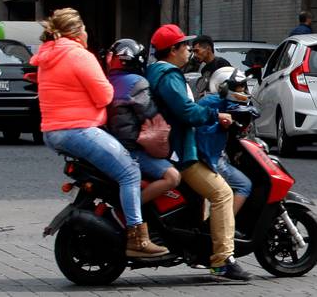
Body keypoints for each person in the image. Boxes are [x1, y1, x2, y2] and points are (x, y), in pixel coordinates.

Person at [30, 8, 168, 258]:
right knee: (129, 172)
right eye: (83, 29)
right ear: (76, 32)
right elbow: (105, 95)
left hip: (53, 131)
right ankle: (137, 237)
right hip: (78, 129)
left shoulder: (47, 56)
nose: (86, 34)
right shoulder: (79, 56)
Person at [145, 24, 252, 281]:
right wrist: (216, 115)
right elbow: (186, 112)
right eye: (184, 46)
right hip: (179, 151)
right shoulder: (169, 75)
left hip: (170, 146)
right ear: (172, 50)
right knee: (223, 193)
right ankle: (222, 260)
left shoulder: (155, 71)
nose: (189, 51)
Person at [105, 38, 180, 204]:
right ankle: (129, 212)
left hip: (110, 144)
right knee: (172, 177)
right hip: (131, 149)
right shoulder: (137, 83)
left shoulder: (105, 81)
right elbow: (150, 116)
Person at [196, 67, 253, 216]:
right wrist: (221, 125)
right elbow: (203, 135)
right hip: (211, 158)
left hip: (219, 155)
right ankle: (227, 225)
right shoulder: (210, 103)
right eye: (239, 87)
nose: (242, 91)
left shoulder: (230, 105)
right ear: (225, 86)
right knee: (244, 185)